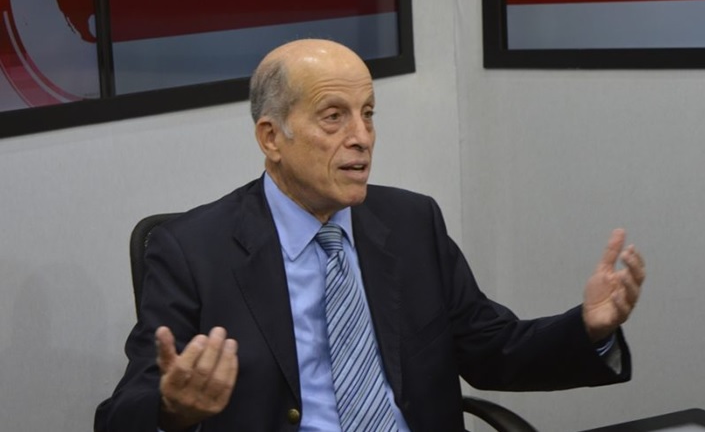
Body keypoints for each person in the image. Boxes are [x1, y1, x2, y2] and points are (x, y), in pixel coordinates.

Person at [95, 39, 645, 432]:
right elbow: (121, 414)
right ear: (272, 138)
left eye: (369, 114)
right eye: (333, 117)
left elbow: (491, 349)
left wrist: (588, 328)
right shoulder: (192, 251)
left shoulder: (411, 222)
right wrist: (172, 410)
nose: (362, 137)